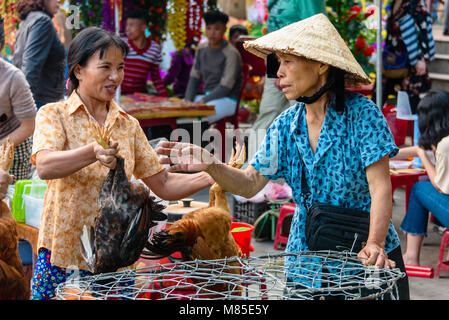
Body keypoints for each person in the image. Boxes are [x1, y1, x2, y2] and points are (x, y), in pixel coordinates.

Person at [157, 14, 410, 299]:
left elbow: (380, 187)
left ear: (321, 64)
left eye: (288, 62)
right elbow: (250, 183)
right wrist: (212, 163)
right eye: (279, 62)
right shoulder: (286, 124)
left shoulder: (362, 114)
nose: (279, 72)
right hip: (306, 258)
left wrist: (375, 243)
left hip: (364, 252)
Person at [30, 27, 214, 300]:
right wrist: (91, 152)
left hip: (116, 257)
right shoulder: (54, 115)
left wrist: (214, 175)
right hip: (63, 253)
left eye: (120, 67)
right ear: (78, 70)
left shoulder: (128, 125)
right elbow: (44, 165)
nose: (115, 77)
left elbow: (162, 183)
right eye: (105, 67)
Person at [252, 0, 327, 133]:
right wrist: (275, 67)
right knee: (268, 114)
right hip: (275, 59)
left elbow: (317, 30)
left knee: (301, 116)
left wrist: (286, 67)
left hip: (300, 64)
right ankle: (254, 153)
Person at [393, 90, 449, 266]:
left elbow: (440, 186)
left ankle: (411, 257)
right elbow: (418, 149)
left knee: (418, 189)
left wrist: (422, 156)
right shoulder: (443, 141)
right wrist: (383, 154)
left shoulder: (445, 144)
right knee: (424, 187)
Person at [373, 0, 435, 114]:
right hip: (392, 60)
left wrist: (422, 59)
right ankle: (381, 125)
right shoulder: (393, 4)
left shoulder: (415, 4)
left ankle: (412, 130)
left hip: (411, 61)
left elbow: (424, 30)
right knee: (380, 94)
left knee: (410, 101)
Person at [184, 10, 242, 124]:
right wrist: (187, 100)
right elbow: (194, 77)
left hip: (228, 99)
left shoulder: (231, 53)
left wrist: (203, 100)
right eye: (209, 28)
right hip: (207, 97)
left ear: (224, 29)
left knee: (196, 118)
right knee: (177, 110)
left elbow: (226, 87)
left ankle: (198, 141)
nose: (212, 33)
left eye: (216, 29)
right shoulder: (201, 49)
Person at [0, 14, 37, 181]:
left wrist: (2, 148)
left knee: (10, 201)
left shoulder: (13, 78)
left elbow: (29, 126)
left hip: (14, 148)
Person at [13, 0, 65, 109]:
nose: (59, 1)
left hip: (36, 99)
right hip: (41, 102)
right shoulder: (42, 22)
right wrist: (23, 106)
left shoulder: (28, 21)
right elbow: (31, 66)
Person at [121, 10, 167, 97]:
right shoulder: (121, 45)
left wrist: (165, 97)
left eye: (131, 25)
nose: (127, 28)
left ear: (143, 27)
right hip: (120, 95)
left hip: (141, 95)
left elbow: (156, 77)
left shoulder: (155, 49)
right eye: (127, 25)